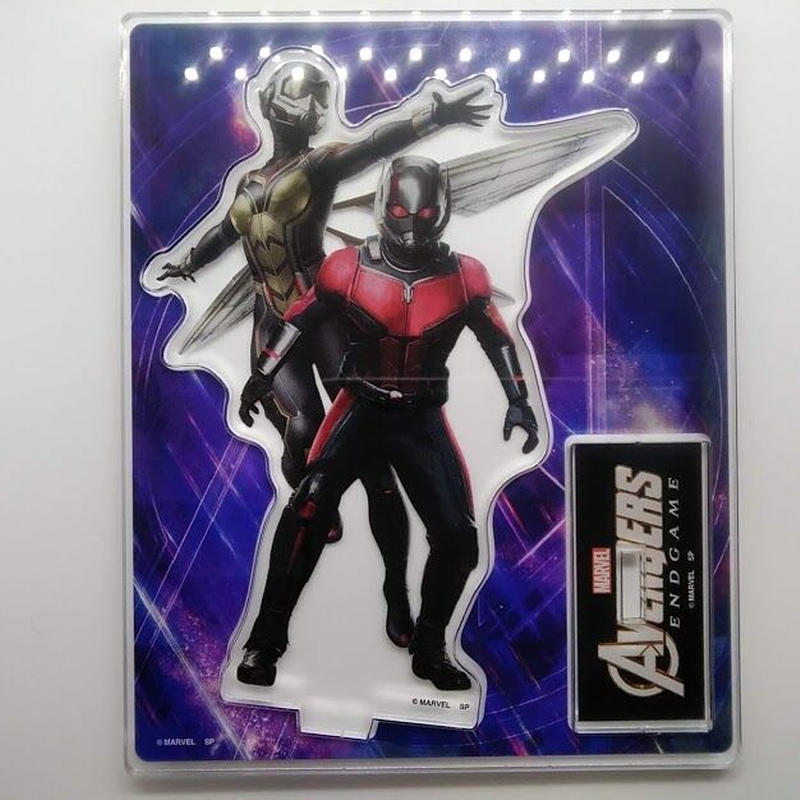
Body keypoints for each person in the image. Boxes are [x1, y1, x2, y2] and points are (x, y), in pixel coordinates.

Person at [157, 56, 492, 649]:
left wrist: (432, 117)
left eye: (315, 96)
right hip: (273, 318)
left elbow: (374, 144)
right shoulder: (249, 182)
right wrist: (187, 262)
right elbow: (224, 233)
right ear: (270, 105)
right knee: (301, 429)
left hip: (328, 314)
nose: (308, 106)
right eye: (298, 95)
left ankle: (396, 591)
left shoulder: (320, 164)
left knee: (379, 471)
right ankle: (317, 506)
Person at [236, 155, 539, 690]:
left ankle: (430, 649)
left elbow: (497, 338)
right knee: (306, 511)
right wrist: (262, 375)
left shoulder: (465, 276)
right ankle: (265, 641)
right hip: (359, 409)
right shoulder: (345, 269)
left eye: (423, 215)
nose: (411, 225)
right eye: (401, 212)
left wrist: (519, 399)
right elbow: (299, 319)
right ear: (383, 207)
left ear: (441, 211)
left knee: (458, 540)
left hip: (420, 418)